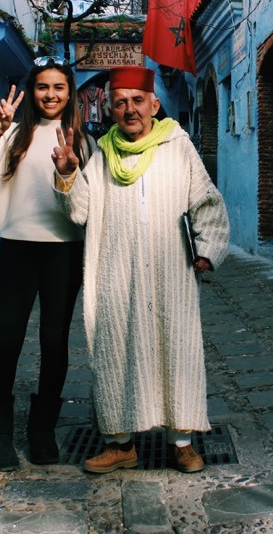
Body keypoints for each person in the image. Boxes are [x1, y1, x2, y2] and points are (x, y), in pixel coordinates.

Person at [52, 65, 230, 474]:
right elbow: (78, 211)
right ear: (111, 110)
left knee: (177, 349)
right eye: (120, 103)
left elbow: (206, 199)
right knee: (115, 350)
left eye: (136, 101)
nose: (129, 109)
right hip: (115, 271)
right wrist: (67, 172)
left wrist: (207, 249)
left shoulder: (178, 144)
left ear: (154, 104)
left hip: (171, 270)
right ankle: (120, 443)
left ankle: (182, 442)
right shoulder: (101, 155)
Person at [0, 57, 92, 471]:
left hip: (64, 252)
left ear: (70, 94)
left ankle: (42, 428)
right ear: (32, 92)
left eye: (59, 88)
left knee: (55, 343)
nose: (50, 94)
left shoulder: (84, 143)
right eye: (42, 87)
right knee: (8, 341)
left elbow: (92, 204)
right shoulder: (11, 135)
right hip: (16, 250)